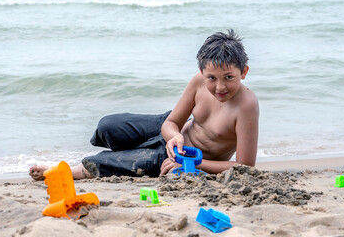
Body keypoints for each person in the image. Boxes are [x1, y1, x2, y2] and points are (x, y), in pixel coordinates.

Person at [29, 29, 259, 181]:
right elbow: (171, 123)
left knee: (100, 163)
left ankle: (63, 171)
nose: (219, 87)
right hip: (172, 132)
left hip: (185, 156)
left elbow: (245, 167)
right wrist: (174, 136)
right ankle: (131, 150)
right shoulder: (199, 81)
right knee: (107, 126)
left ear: (244, 72)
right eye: (212, 78)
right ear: (202, 72)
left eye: (229, 77)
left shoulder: (246, 106)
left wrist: (194, 165)